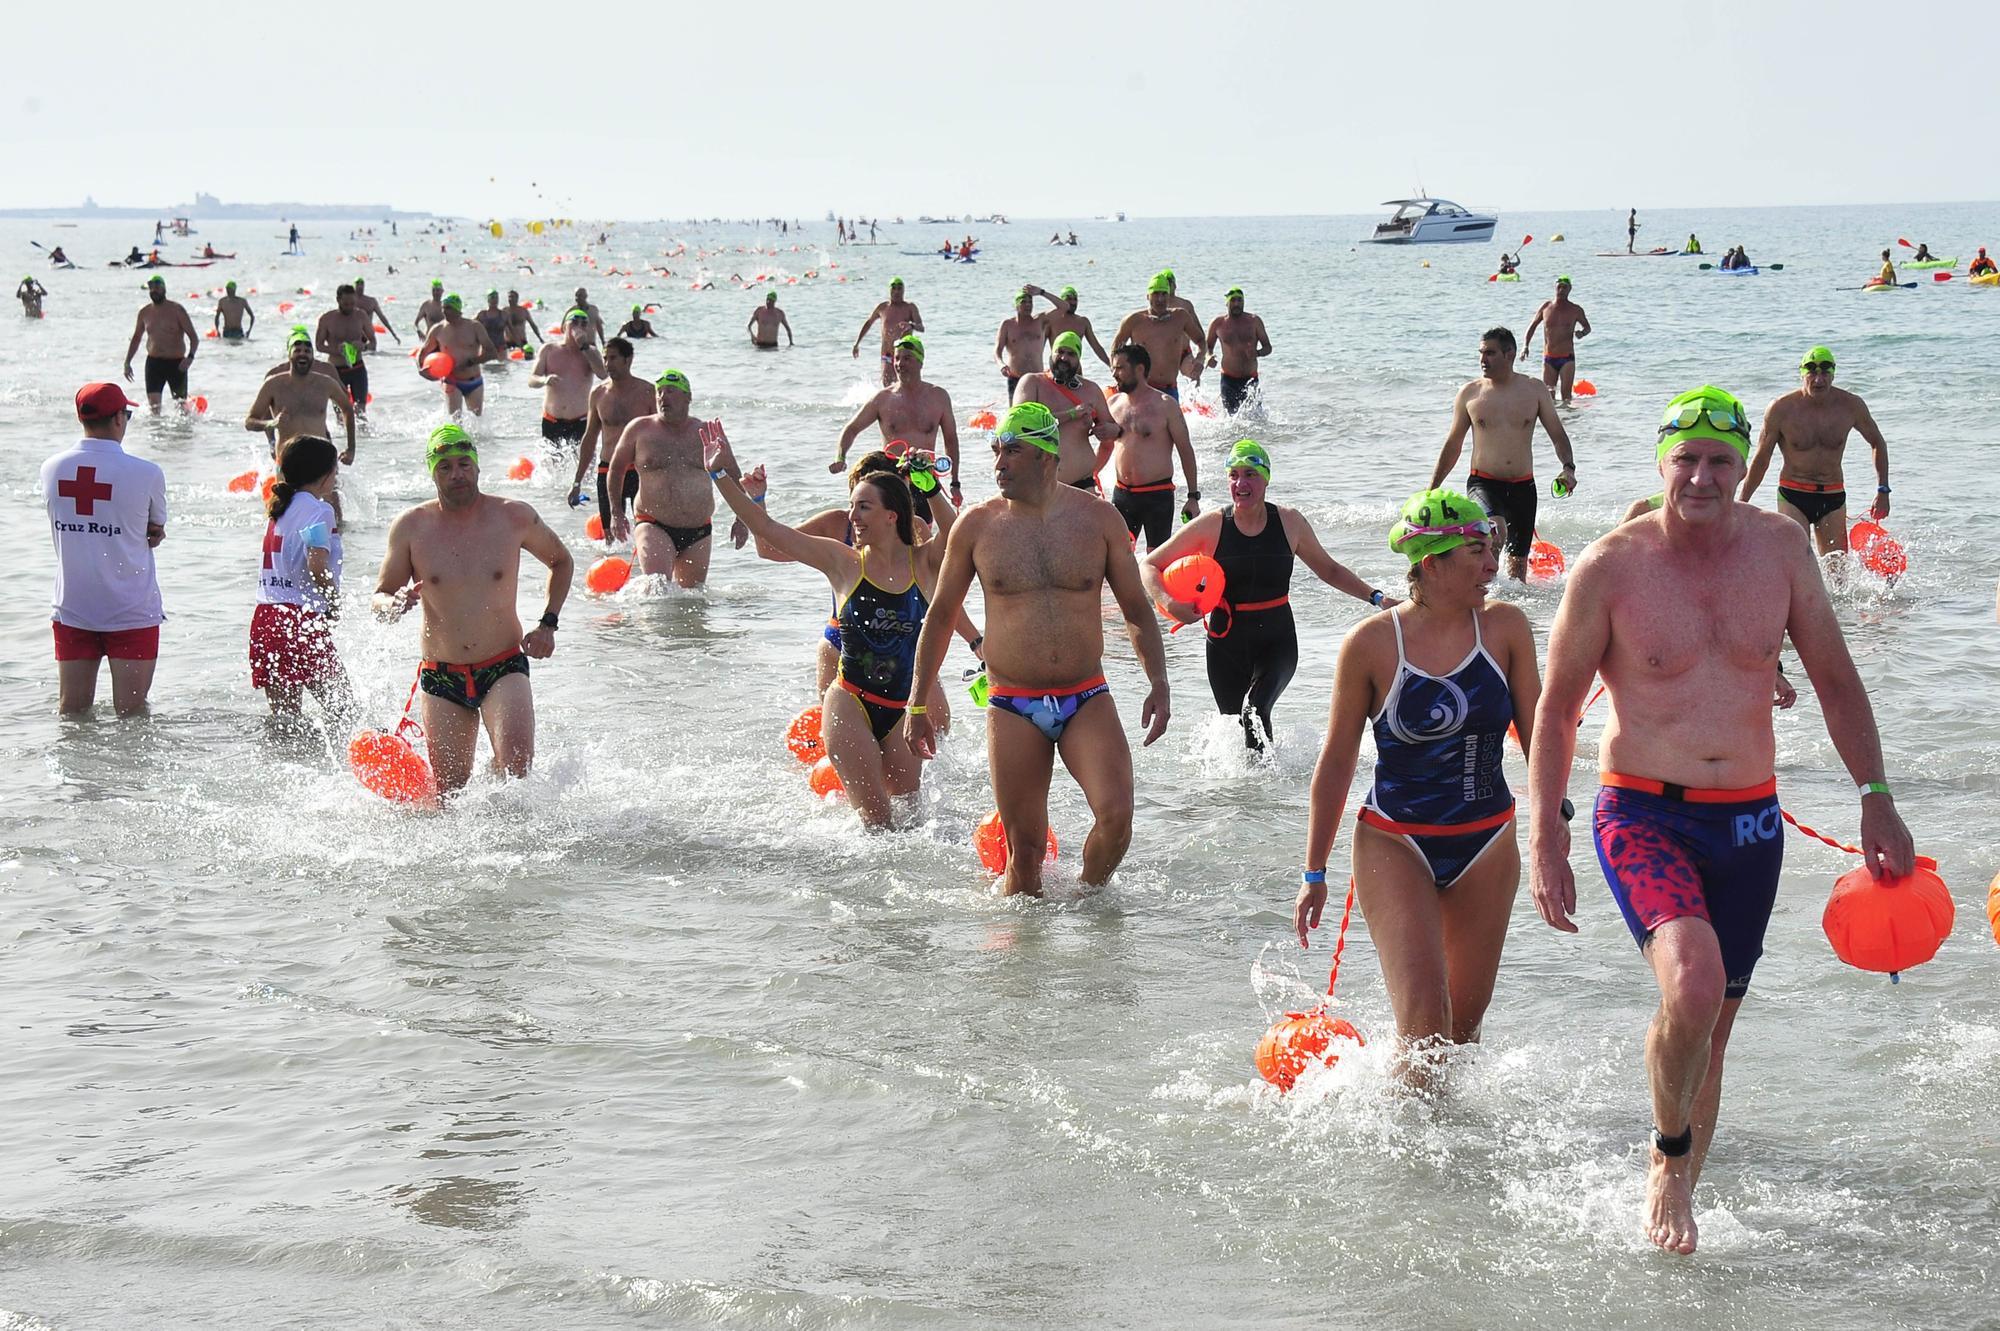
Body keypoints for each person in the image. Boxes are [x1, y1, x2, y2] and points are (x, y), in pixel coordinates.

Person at [1527, 385, 1915, 1255]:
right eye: (1687, 459)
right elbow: (1555, 711)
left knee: (1712, 1024)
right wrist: (1546, 831)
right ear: (1662, 460)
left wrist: (1876, 795)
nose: (1702, 477)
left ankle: (1680, 1196)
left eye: (1721, 461)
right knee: (1693, 985)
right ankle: (1668, 1159)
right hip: (1641, 810)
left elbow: (1836, 679)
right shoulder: (1610, 565)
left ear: (1747, 467)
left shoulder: (1780, 551)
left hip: (1748, 820)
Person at [1295, 487, 1541, 1082]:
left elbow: (1540, 739)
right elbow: (1335, 764)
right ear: (1431, 563)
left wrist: (1552, 831)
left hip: (1486, 841)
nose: (1492, 565)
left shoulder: (1506, 628)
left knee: (1460, 1036)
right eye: (1477, 552)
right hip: (1395, 840)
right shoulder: (1373, 644)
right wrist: (1315, 872)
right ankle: (1400, 1162)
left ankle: (1451, 1164)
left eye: (1493, 550)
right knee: (1425, 1029)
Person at [904, 402, 1172, 895]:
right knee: (1024, 856)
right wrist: (917, 701)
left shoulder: (1099, 520)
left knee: (1117, 821)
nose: (999, 463)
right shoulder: (977, 526)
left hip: (1086, 695)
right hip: (1011, 703)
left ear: (1047, 456)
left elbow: (1136, 607)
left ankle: (1087, 909)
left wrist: (1158, 681)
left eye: (1012, 451)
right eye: (996, 451)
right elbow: (940, 616)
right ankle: (1024, 962)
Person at [707, 430, 942, 829]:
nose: (852, 517)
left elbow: (962, 535)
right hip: (850, 703)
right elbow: (769, 531)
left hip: (901, 708)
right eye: (852, 506)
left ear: (892, 515)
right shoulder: (842, 562)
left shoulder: (924, 563)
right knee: (878, 826)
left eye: (863, 507)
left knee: (915, 821)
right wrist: (720, 477)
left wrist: (931, 484)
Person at [1145, 440, 1393, 750]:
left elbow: (1329, 570)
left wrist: (1377, 599)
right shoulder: (1211, 525)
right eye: (1233, 475)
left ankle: (1276, 789)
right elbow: (1150, 566)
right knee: (1236, 732)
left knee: (1255, 711)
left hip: (1277, 642)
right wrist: (1169, 603)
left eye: (1250, 474)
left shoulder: (1289, 522)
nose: (1241, 483)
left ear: (1266, 478)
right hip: (1225, 646)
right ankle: (1257, 797)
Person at [370, 425, 574, 795]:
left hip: (503, 665)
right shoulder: (411, 527)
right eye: (445, 466)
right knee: (451, 793)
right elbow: (380, 596)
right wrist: (394, 604)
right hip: (442, 675)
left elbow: (561, 562)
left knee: (517, 770)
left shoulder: (514, 517)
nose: (456, 474)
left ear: (478, 468)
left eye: (464, 464)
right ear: (432, 472)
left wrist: (548, 624)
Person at [43, 382, 166, 715]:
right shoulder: (148, 473)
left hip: (74, 607)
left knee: (72, 713)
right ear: (117, 419)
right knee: (133, 715)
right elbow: (155, 530)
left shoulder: (51, 469)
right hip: (131, 610)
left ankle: (73, 768)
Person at [1429, 326, 1579, 581]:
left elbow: (1557, 433)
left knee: (1518, 570)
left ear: (1509, 354)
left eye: (1490, 353)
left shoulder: (1534, 390)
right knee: (1495, 531)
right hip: (1484, 483)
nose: (1482, 359)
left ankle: (1511, 613)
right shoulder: (1470, 393)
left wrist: (1568, 468)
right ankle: (1481, 598)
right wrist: (1432, 488)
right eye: (1481, 353)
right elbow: (1453, 444)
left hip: (1524, 487)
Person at [1738, 346, 1891, 559]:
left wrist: (1883, 490)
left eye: (1825, 372)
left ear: (1833, 373)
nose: (1818, 380)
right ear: (1802, 373)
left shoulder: (1851, 406)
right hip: (1793, 494)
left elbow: (1877, 442)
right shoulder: (1781, 408)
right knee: (1796, 557)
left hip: (1832, 495)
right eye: (1812, 372)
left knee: (1837, 570)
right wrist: (1742, 502)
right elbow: (1762, 458)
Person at [605, 370, 746, 586]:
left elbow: (734, 474)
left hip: (699, 530)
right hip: (653, 523)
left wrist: (741, 518)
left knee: (693, 599)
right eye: (659, 392)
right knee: (657, 588)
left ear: (688, 397)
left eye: (670, 391)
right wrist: (616, 512)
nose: (662, 397)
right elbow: (615, 470)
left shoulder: (706, 433)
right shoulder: (639, 429)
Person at [250, 436, 349, 717]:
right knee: (344, 712)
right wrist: (332, 602)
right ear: (326, 475)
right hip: (299, 621)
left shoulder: (278, 508)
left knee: (285, 722)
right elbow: (317, 565)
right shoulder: (320, 510)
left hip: (266, 619)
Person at [831, 333, 961, 501]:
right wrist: (840, 457)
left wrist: (955, 483)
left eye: (907, 358)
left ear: (920, 361)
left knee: (925, 527)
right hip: (892, 480)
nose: (900, 364)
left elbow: (951, 440)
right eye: (897, 358)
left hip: (925, 476)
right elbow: (851, 428)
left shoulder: (939, 397)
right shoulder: (883, 398)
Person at [1106, 343, 1198, 549]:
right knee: (1117, 556)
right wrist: (1090, 477)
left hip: (1157, 494)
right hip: (1122, 494)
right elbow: (1104, 447)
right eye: (1113, 368)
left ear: (1139, 369)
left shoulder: (1166, 405)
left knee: (1156, 558)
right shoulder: (1112, 404)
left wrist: (1193, 497)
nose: (1114, 373)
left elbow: (1186, 451)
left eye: (1120, 368)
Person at [1011, 331, 1120, 491]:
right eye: (1060, 352)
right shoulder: (1032, 382)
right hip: (1040, 486)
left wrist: (1107, 430)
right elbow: (1020, 423)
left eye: (1071, 354)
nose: (1064, 358)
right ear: (1051, 353)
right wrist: (1072, 414)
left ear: (1078, 359)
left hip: (1083, 483)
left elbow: (1114, 431)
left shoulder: (1090, 389)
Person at [567, 336, 654, 522]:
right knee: (610, 537)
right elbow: (589, 438)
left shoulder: (648, 392)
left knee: (646, 529)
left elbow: (661, 436)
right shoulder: (598, 395)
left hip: (640, 471)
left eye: (613, 358)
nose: (607, 364)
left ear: (628, 359)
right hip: (607, 470)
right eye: (605, 358)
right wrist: (577, 482)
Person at [247, 328, 357, 463]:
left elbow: (347, 407)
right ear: (289, 354)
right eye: (297, 350)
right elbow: (251, 421)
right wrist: (271, 427)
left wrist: (351, 449)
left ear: (312, 355)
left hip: (321, 452)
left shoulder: (326, 380)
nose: (302, 354)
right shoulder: (273, 382)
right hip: (288, 457)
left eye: (307, 351)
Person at [1111, 273, 1204, 401]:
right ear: (1147, 296)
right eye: (1156, 294)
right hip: (1142, 389)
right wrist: (1117, 373)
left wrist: (1200, 359)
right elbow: (1115, 348)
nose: (1160, 299)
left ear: (1169, 296)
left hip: (1170, 389)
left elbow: (1200, 340)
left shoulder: (1180, 317)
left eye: (1164, 294)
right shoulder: (1133, 321)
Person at [528, 309, 608, 449]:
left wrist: (584, 346)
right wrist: (544, 380)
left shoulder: (592, 352)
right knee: (551, 466)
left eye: (583, 324)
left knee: (585, 467)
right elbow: (532, 380)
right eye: (574, 323)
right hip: (552, 420)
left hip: (581, 421)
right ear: (564, 327)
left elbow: (602, 375)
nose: (579, 327)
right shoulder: (549, 350)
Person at [415, 293, 501, 417]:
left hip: (474, 381)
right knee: (455, 419)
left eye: (448, 308)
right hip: (451, 380)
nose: (444, 311)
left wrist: (472, 362)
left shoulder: (474, 327)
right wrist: (420, 369)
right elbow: (423, 352)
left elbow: (492, 352)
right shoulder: (438, 329)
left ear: (457, 309)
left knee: (476, 421)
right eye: (443, 308)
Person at [122, 276, 199, 411]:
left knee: (181, 408)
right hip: (154, 364)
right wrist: (127, 362)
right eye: (151, 288)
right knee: (154, 409)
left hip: (177, 364)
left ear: (164, 289)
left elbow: (194, 337)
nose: (154, 291)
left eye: (157, 287)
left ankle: (183, 433)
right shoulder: (144, 312)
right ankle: (157, 432)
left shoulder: (177, 310)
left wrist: (190, 358)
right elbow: (136, 338)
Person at [1521, 276, 1592, 405]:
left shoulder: (1575, 310)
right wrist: (1525, 346)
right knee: (1548, 397)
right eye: (1559, 287)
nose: (1562, 290)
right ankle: (1552, 421)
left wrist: (1582, 333)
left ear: (1570, 289)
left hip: (1567, 358)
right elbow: (1532, 327)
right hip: (1549, 358)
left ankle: (1568, 422)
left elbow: (1588, 328)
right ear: (1555, 288)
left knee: (1566, 397)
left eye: (1565, 287)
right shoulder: (1546, 307)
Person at [1204, 286, 1272, 415]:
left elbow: (1268, 347)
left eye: (1240, 300)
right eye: (1233, 300)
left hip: (1251, 379)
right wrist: (1208, 357)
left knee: (1255, 418)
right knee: (1231, 419)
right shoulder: (1218, 323)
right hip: (1228, 379)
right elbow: (1207, 346)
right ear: (1227, 302)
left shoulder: (1254, 321)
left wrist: (1257, 353)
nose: (1236, 304)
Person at [313, 284, 376, 417]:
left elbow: (373, 343)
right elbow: (318, 345)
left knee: (361, 410)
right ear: (338, 300)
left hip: (358, 368)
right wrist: (336, 350)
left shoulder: (361, 316)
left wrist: (363, 346)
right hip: (336, 370)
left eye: (352, 303)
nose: (350, 307)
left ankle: (363, 437)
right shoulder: (327, 319)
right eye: (346, 303)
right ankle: (343, 437)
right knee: (341, 413)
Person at [851, 277, 924, 387]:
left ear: (903, 290)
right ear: (889, 290)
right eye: (893, 288)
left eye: (899, 289)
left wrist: (911, 325)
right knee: (887, 383)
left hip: (904, 353)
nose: (896, 292)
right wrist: (857, 343)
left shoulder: (910, 307)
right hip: (887, 353)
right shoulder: (882, 307)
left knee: (906, 383)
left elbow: (921, 327)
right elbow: (868, 323)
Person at [993, 287, 1049, 398]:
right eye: (1023, 302)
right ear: (1016, 305)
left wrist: (1042, 293)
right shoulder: (1008, 325)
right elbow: (997, 351)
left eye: (1030, 302)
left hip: (1037, 377)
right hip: (1015, 377)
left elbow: (1063, 307)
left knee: (1039, 411)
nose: (1028, 305)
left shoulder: (1040, 321)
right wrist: (1001, 365)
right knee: (1016, 412)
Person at [1040, 285, 1111, 367]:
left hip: (1076, 370)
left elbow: (1096, 347)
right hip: (1057, 368)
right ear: (1061, 301)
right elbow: (1039, 349)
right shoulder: (1051, 322)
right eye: (1069, 299)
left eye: (1075, 299)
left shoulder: (1083, 322)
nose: (1073, 302)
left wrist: (1110, 364)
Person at [351, 277, 398, 345]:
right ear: (353, 285)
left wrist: (393, 334)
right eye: (358, 283)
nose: (360, 286)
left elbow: (382, 317)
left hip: (367, 335)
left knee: (370, 352)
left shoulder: (371, 301)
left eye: (362, 284)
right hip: (352, 334)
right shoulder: (348, 301)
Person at [500, 290, 543, 354]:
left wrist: (540, 338)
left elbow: (532, 325)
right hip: (508, 343)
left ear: (517, 298)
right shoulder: (504, 311)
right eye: (509, 297)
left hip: (522, 342)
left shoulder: (523, 311)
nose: (510, 299)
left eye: (512, 297)